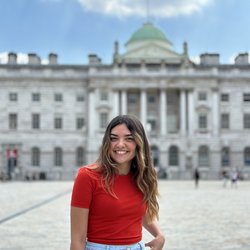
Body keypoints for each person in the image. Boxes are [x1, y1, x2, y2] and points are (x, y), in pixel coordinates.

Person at [70, 115, 165, 250]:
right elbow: (78, 240)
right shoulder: (87, 176)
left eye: (129, 138)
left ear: (139, 142)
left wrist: (159, 235)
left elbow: (141, 211)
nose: (120, 144)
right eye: (114, 138)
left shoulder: (140, 176)